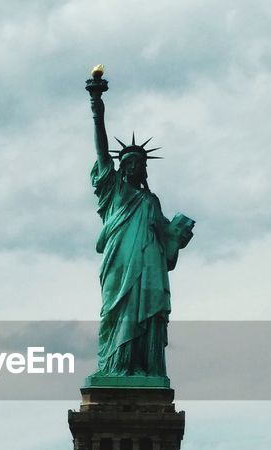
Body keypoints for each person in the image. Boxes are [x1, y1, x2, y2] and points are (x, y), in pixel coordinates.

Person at [86, 69, 194, 380]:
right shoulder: (114, 191)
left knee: (145, 315)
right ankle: (115, 367)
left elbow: (167, 245)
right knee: (113, 313)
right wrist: (97, 105)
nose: (135, 166)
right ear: (121, 167)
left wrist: (178, 235)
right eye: (129, 162)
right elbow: (101, 148)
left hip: (147, 268)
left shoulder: (151, 201)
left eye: (140, 164)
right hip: (118, 265)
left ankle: (143, 368)